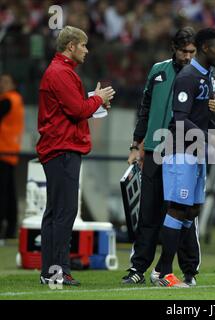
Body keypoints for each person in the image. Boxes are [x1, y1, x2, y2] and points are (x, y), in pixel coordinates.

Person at [122, 27, 215, 286]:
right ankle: (137, 269)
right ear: (173, 49)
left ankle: (188, 270)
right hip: (156, 148)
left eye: (192, 51)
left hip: (184, 148)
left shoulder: (203, 74)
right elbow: (144, 108)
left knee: (183, 211)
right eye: (183, 51)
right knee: (149, 212)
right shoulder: (158, 71)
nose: (188, 56)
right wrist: (136, 144)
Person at [37, 26, 115, 286]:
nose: (86, 50)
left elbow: (73, 107)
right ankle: (58, 271)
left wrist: (94, 100)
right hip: (63, 148)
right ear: (71, 46)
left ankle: (49, 270)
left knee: (55, 212)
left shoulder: (61, 71)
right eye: (83, 45)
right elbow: (76, 110)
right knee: (64, 212)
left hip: (59, 147)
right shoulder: (61, 73)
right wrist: (97, 99)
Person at [155, 28, 215, 287]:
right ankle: (163, 272)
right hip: (179, 151)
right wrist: (213, 138)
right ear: (205, 49)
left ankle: (185, 269)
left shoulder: (207, 77)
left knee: (192, 210)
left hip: (196, 152)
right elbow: (180, 119)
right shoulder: (188, 77)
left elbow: (203, 120)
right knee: (177, 208)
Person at [0, 74, 24, 242]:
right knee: (9, 192)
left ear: (13, 84)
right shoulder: (16, 100)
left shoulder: (8, 100)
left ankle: (5, 227)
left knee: (3, 193)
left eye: (5, 82)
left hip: (3, 151)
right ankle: (10, 228)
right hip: (10, 151)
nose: (2, 85)